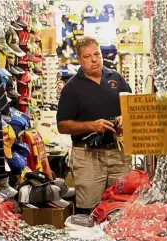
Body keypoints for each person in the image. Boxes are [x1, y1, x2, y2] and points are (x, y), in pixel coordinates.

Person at [56, 36, 131, 213]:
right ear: (80, 60)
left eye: (96, 54)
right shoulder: (72, 88)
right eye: (87, 57)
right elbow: (62, 125)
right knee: (88, 211)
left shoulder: (116, 78)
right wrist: (92, 126)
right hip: (87, 156)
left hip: (118, 153)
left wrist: (123, 118)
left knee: (122, 209)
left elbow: (131, 107)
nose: (94, 60)